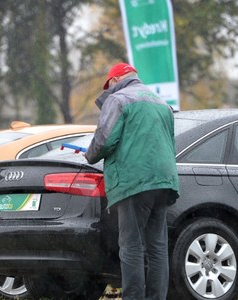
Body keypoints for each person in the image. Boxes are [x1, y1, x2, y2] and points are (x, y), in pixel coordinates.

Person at [85, 62, 179, 300]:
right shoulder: (162, 104)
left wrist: (89, 155)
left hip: (133, 181)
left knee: (131, 246)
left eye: (109, 86)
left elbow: (104, 141)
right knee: (157, 247)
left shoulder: (118, 100)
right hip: (164, 180)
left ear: (115, 81)